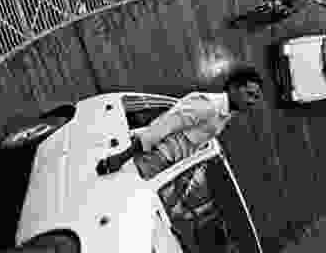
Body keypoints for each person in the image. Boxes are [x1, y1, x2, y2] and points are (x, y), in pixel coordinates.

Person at [96, 67, 263, 178]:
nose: (252, 101)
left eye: (256, 98)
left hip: (163, 163)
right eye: (249, 94)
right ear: (234, 87)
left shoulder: (224, 116)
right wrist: (121, 158)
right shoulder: (208, 106)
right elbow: (163, 127)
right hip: (154, 157)